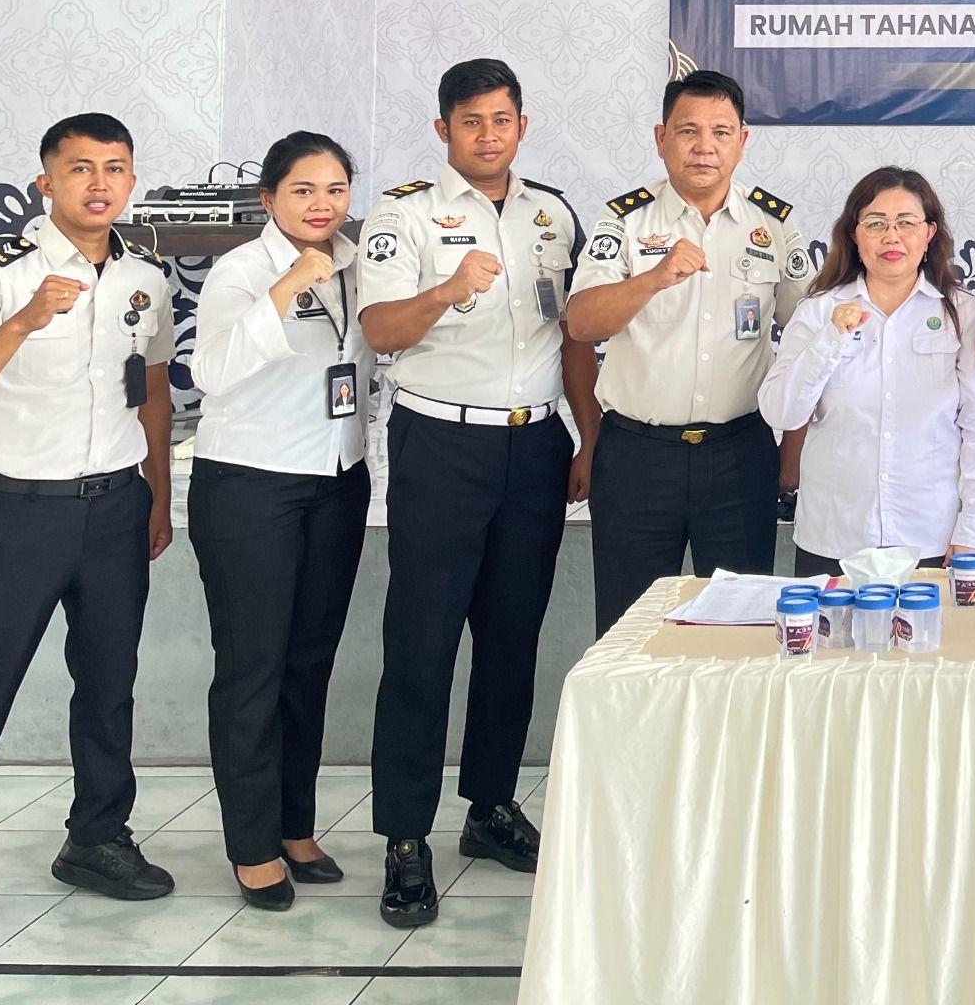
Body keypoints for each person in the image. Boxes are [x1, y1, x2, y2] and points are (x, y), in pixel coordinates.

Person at [0, 114, 178, 969]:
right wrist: (22, 321)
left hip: (117, 508)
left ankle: (96, 837)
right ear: (45, 182)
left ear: (131, 181)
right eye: (81, 168)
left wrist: (158, 497)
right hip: (23, 512)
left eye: (115, 168)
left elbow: (150, 392)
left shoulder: (144, 278)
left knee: (109, 688)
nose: (100, 183)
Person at [357, 59, 589, 929]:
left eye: (501, 120)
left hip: (535, 445)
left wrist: (587, 437)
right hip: (441, 444)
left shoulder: (553, 214)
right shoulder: (404, 214)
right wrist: (448, 290)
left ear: (522, 124)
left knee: (510, 639)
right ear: (443, 130)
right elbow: (381, 330)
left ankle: (489, 807)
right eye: (470, 121)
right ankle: (404, 836)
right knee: (421, 644)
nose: (488, 135)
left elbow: (572, 333)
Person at [187, 131, 374, 909]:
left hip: (337, 480)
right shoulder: (241, 270)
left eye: (335, 189)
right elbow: (211, 371)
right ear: (269, 199)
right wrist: (290, 282)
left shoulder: (360, 264)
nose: (321, 204)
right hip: (250, 486)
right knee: (253, 668)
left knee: (308, 664)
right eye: (303, 190)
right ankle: (253, 843)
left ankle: (295, 825)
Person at [564, 69, 808, 634]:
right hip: (637, 459)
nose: (704, 147)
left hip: (740, 456)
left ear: (742, 141)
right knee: (629, 633)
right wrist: (651, 278)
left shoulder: (773, 224)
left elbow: (808, 343)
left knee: (740, 634)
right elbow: (581, 322)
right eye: (688, 131)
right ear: (661, 138)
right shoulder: (625, 219)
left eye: (721, 132)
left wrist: (793, 452)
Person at [758, 169, 975, 570]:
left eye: (906, 223)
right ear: (854, 235)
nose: (891, 237)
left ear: (929, 234)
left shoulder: (960, 312)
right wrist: (831, 339)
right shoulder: (819, 310)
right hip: (833, 535)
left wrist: (973, 530)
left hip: (929, 535)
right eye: (875, 223)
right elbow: (781, 413)